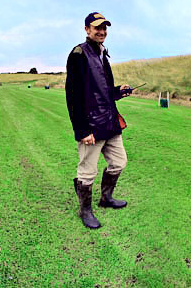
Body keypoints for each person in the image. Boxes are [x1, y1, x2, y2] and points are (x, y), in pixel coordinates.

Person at [65, 12, 133, 229]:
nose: (101, 31)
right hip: (91, 126)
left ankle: (106, 198)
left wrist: (117, 92)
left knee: (119, 162)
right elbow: (73, 96)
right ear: (87, 29)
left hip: (110, 122)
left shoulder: (103, 53)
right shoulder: (78, 54)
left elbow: (100, 91)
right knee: (87, 171)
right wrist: (82, 130)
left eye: (104, 28)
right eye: (97, 28)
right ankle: (85, 210)